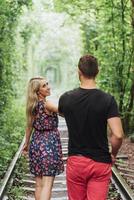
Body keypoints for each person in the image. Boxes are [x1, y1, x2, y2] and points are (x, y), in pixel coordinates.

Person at [58, 55, 124, 200]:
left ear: (78, 72)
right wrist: (113, 153)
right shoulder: (108, 100)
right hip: (100, 163)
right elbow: (118, 135)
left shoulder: (66, 99)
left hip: (76, 161)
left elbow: (62, 112)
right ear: (97, 72)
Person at [22, 77, 64, 200]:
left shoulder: (32, 107)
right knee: (47, 184)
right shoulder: (47, 104)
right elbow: (65, 112)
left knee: (39, 185)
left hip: (36, 144)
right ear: (38, 91)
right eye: (45, 86)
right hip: (49, 145)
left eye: (47, 84)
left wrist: (26, 144)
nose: (48, 87)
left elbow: (29, 126)